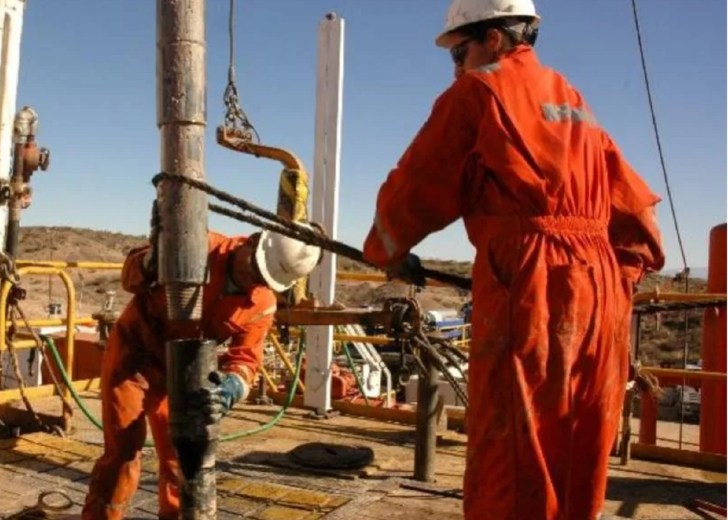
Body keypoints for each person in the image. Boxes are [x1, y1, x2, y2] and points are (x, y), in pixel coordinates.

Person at [362, 1, 665, 518]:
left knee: (514, 455)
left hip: (532, 284)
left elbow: (416, 186)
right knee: (577, 448)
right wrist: (617, 280)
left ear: (495, 39)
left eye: (459, 52)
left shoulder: (480, 92)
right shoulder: (573, 101)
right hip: (602, 293)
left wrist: (386, 250)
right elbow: (634, 214)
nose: (456, 67)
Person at [83, 228, 322, 520]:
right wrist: (151, 262)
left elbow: (246, 358)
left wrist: (232, 387)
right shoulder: (196, 242)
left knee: (181, 457)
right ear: (252, 241)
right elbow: (129, 276)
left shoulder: (261, 303)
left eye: (263, 279)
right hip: (133, 356)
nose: (253, 279)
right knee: (124, 452)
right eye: (254, 268)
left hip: (184, 372)